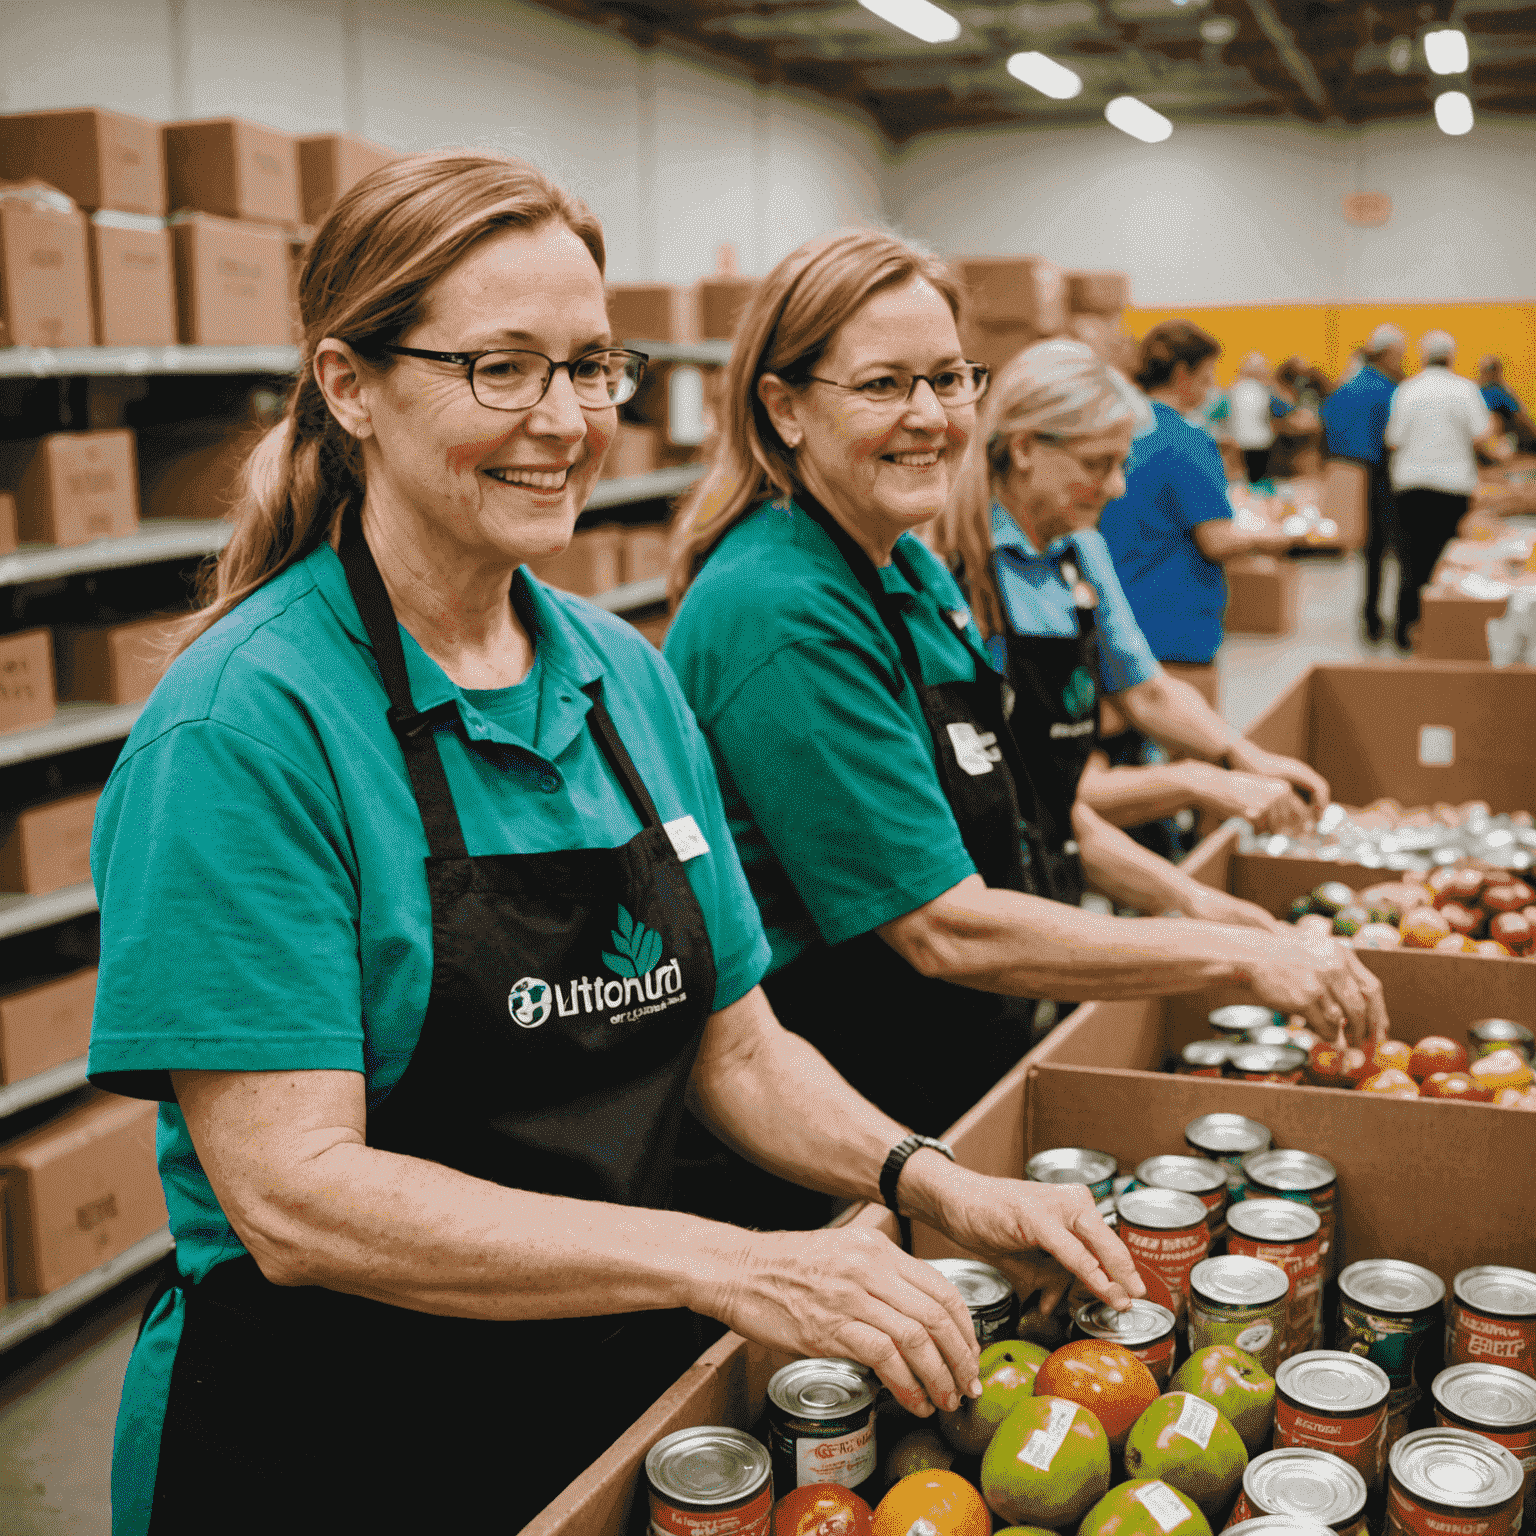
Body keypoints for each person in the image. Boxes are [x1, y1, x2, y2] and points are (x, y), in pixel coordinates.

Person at [87, 153, 1146, 1536]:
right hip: (330, 1439)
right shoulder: (247, 727)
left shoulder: (618, 678)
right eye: (503, 369)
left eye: (593, 366)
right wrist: (729, 1262)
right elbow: (299, 1198)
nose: (569, 420)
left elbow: (739, 1046)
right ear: (350, 386)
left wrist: (924, 1175)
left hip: (600, 1397)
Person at [661, 232, 1386, 1234]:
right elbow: (944, 926)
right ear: (784, 408)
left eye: (948, 378)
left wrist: (1215, 914)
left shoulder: (905, 571)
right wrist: (1225, 956)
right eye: (882, 385)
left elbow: (1024, 813)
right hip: (836, 1132)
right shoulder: (781, 607)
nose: (928, 416)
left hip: (942, 1071)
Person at [928, 337, 1316, 930]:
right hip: (975, 882)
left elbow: (1147, 690)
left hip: (1055, 860)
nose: (1117, 488)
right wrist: (1196, 781)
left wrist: (1244, 756)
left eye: (1122, 463)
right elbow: (1016, 793)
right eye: (1097, 465)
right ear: (1026, 447)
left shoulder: (1081, 551)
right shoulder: (951, 569)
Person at [1097, 322, 1297, 685]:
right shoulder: (1187, 442)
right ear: (1182, 374)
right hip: (1173, 620)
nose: (1210, 387)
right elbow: (1216, 540)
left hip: (1118, 612)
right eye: (1207, 377)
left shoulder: (1117, 428)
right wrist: (1273, 536)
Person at [1385, 329, 1508, 650]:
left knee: (1411, 560)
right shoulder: (1464, 390)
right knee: (1448, 560)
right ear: (1452, 357)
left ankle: (1404, 629)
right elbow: (1482, 436)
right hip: (1452, 487)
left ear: (1423, 356)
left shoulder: (1407, 390)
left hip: (1410, 486)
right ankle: (1439, 630)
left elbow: (1393, 439)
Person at [1321, 323, 1404, 643]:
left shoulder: (1345, 387)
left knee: (1369, 551)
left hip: (1350, 471)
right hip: (1381, 474)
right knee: (1391, 548)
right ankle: (1393, 621)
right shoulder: (1388, 390)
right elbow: (1393, 437)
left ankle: (1369, 617)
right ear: (1387, 354)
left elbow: (1327, 425)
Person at [1228, 352, 1286, 485]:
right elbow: (1281, 411)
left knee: (1246, 479)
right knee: (1261, 479)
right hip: (1263, 441)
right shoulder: (1265, 390)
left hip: (1238, 442)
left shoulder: (1233, 389)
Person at [1479, 356, 1536, 453]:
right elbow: (1521, 416)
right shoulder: (1496, 391)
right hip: (1499, 441)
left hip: (1490, 441)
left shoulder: (1477, 391)